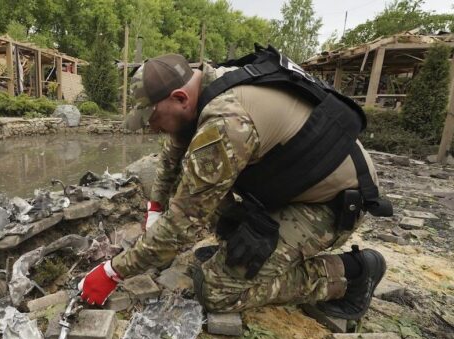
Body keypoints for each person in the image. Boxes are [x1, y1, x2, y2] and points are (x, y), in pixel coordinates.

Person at [78, 46, 393, 320]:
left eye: (153, 118)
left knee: (217, 291)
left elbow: (182, 226)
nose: (152, 127)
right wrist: (155, 207)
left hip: (331, 204)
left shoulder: (226, 121)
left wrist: (112, 272)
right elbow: (172, 154)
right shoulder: (210, 83)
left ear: (179, 97)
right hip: (294, 181)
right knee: (200, 191)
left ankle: (354, 272)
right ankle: (241, 254)